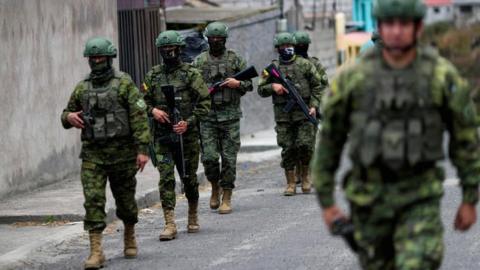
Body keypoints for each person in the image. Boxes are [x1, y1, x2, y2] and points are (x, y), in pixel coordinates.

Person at [312, 0, 480, 269]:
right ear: (379, 27)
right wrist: (327, 202)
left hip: (420, 199)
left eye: (404, 23)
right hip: (369, 203)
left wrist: (470, 197)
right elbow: (329, 143)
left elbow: (465, 140)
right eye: (390, 24)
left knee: (417, 263)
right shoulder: (353, 79)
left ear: (418, 27)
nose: (397, 31)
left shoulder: (439, 76)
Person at [61, 37, 150, 269]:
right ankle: (96, 251)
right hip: (93, 155)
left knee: (126, 203)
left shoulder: (124, 84)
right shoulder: (83, 87)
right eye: (93, 58)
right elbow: (67, 113)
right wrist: (68, 117)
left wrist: (142, 150)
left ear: (110, 58)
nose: (97, 61)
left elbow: (139, 117)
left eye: (101, 57)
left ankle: (129, 233)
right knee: (93, 201)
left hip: (122, 154)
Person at [143, 30, 210, 240]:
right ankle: (169, 223)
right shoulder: (153, 75)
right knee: (165, 179)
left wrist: (187, 123)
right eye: (164, 49)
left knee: (188, 179)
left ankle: (192, 214)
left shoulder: (191, 74)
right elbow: (140, 101)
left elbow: (205, 104)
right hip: (162, 137)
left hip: (186, 138)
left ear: (179, 49)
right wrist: (153, 110)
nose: (168, 52)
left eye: (171, 48)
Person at [193, 21, 253, 214]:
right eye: (213, 38)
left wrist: (238, 83)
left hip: (230, 117)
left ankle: (227, 195)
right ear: (207, 39)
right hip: (207, 117)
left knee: (228, 159)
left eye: (219, 38)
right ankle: (214, 187)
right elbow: (191, 87)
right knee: (209, 158)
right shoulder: (200, 61)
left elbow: (250, 84)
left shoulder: (235, 59)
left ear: (225, 39)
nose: (216, 41)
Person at [258, 32, 324, 196]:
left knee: (305, 145)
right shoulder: (271, 69)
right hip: (283, 116)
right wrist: (273, 87)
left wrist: (314, 106)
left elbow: (318, 86)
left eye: (290, 46)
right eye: (283, 46)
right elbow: (260, 89)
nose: (287, 49)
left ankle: (306, 177)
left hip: (304, 113)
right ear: (277, 48)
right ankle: (291, 183)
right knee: (288, 148)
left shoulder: (305, 65)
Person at [293, 31, 329, 188]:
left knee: (308, 143)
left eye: (303, 45)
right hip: (291, 110)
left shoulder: (315, 63)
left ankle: (308, 173)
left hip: (311, 108)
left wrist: (315, 104)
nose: (301, 48)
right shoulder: (288, 64)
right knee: (293, 142)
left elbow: (322, 84)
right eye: (299, 45)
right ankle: (297, 171)